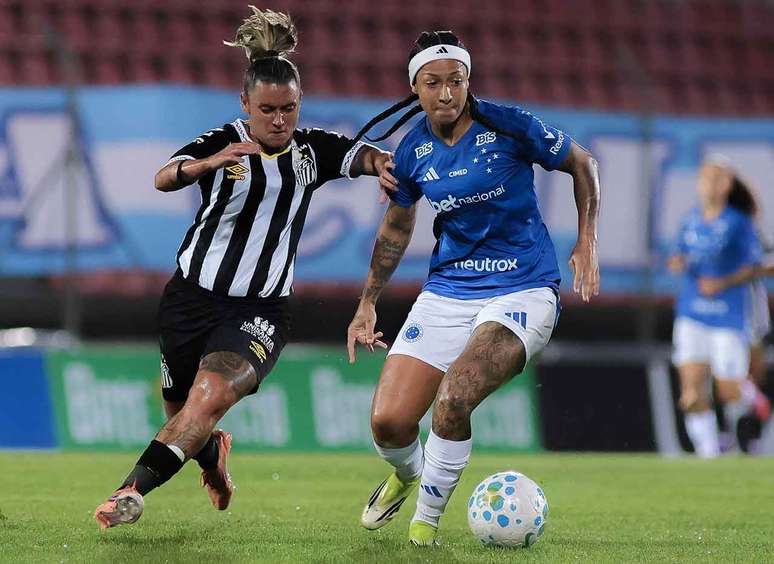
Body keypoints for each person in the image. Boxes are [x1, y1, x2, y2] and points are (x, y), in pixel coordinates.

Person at [93, 7, 391, 529]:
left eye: (289, 109)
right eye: (269, 109)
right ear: (245, 104)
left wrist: (383, 164)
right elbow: (163, 178)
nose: (280, 120)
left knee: (205, 403)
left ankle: (129, 493)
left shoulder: (310, 151)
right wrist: (206, 165)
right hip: (188, 301)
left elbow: (360, 155)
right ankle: (212, 458)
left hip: (259, 311)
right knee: (184, 416)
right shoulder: (221, 142)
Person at [345, 31, 601, 545]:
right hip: (448, 290)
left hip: (522, 289)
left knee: (455, 395)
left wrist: (587, 240)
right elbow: (396, 228)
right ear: (414, 87)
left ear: (468, 81)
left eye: (455, 81)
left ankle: (425, 526)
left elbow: (582, 162)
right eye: (433, 83)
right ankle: (408, 472)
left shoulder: (508, 125)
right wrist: (367, 304)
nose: (446, 93)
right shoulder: (412, 150)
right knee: (389, 423)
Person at [669, 157, 769, 458]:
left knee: (729, 391)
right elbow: (679, 256)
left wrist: (723, 281)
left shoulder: (740, 223)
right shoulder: (690, 220)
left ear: (727, 185)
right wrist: (677, 262)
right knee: (690, 392)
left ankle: (753, 399)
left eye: (717, 178)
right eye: (705, 177)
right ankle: (709, 454)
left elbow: (758, 264)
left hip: (728, 316)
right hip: (691, 314)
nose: (710, 183)